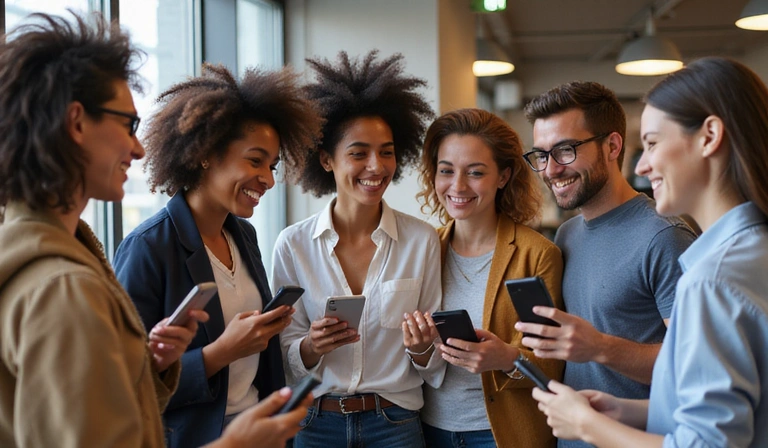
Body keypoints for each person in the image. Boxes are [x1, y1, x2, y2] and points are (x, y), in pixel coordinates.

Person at [0, 11, 310, 448]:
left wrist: (151, 364)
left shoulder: (45, 262)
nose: (139, 146)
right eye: (127, 124)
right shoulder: (66, 286)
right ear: (75, 122)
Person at [532, 56, 768, 447]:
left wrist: (585, 424)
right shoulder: (747, 252)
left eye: (653, 143)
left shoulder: (710, 279)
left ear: (709, 136)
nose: (642, 165)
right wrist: (626, 410)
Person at [112, 61, 323, 447]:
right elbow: (125, 385)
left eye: (272, 165)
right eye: (255, 160)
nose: (268, 179)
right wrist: (221, 352)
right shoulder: (148, 247)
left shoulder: (244, 235)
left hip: (259, 429)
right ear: (207, 153)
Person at [272, 50, 441, 448]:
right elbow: (282, 354)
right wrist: (311, 347)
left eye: (386, 151)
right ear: (326, 160)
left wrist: (421, 349)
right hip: (315, 425)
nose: (376, 166)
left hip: (394, 424)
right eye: (358, 152)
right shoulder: (293, 245)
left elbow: (434, 359)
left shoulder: (421, 240)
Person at [517, 81, 697, 446]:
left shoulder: (664, 236)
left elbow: (694, 366)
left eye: (566, 150)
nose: (550, 170)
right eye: (541, 155)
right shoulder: (567, 234)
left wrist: (601, 346)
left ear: (612, 146)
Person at [412, 108, 564, 447]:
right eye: (446, 171)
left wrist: (507, 358)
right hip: (427, 430)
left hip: (502, 434)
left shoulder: (537, 254)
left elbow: (554, 366)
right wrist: (420, 350)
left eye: (476, 172)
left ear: (504, 176)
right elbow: (418, 361)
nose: (458, 186)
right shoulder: (423, 249)